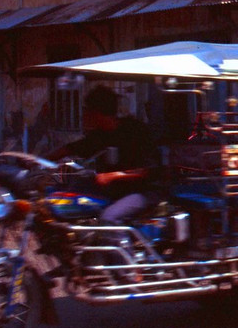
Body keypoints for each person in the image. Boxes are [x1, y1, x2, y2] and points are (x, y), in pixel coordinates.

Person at [53, 86, 161, 224]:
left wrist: (112, 176)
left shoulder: (136, 132)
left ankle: (120, 243)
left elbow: (147, 171)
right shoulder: (100, 135)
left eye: (87, 111)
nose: (84, 115)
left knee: (108, 217)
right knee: (69, 199)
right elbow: (69, 149)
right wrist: (37, 161)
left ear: (97, 113)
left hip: (143, 192)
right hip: (114, 190)